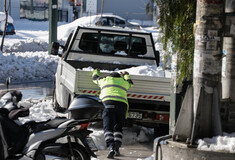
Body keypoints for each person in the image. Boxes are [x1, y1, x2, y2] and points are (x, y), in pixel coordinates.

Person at [92, 68, 133, 159]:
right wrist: (126, 74)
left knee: (108, 127)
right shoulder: (123, 82)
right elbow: (130, 82)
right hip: (122, 106)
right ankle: (117, 147)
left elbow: (95, 78)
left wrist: (96, 71)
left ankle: (111, 147)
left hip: (108, 104)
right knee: (118, 127)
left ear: (109, 76)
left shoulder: (104, 80)